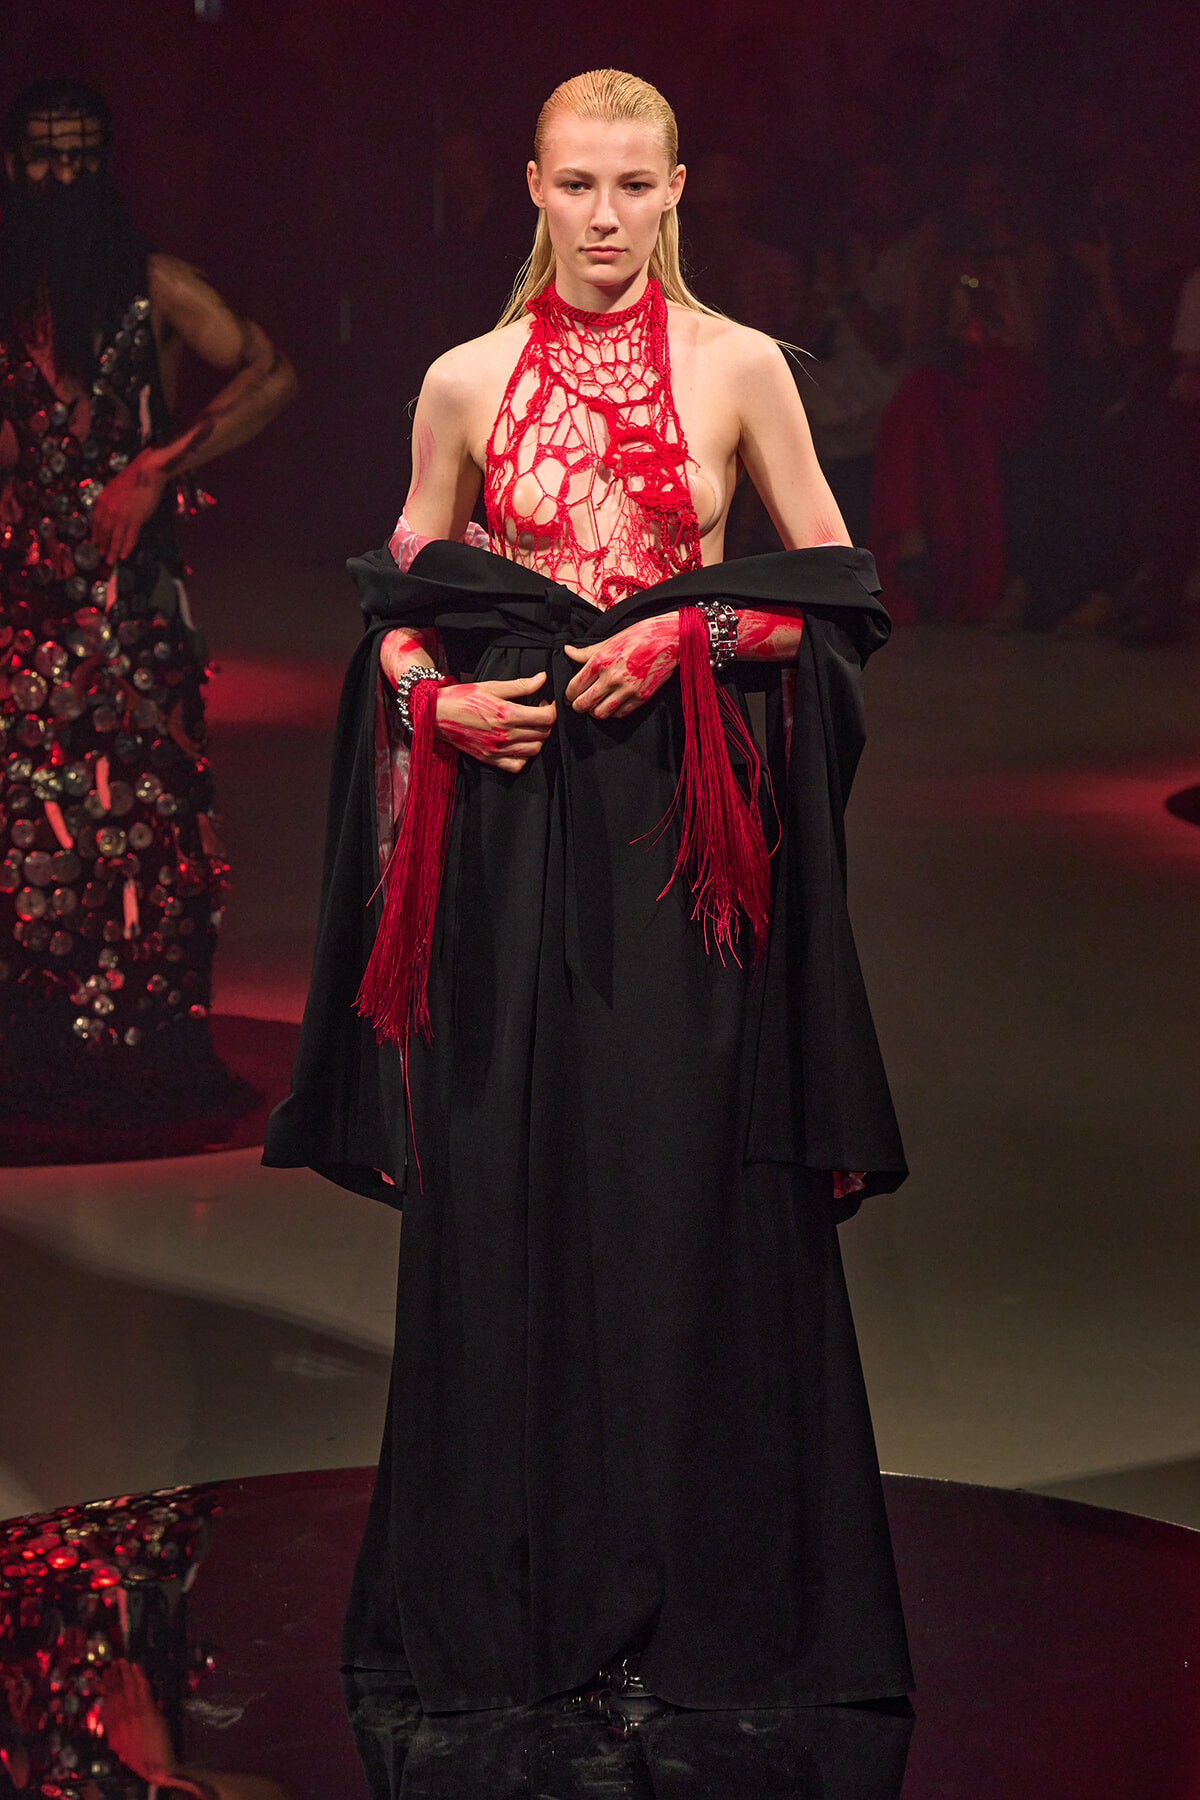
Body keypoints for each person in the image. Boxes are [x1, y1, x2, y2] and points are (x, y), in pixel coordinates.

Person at [266, 69, 911, 1717]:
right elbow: (396, 607)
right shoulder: (462, 379)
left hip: (683, 838)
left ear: (680, 186)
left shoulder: (742, 365)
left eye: (635, 184)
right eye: (577, 185)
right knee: (509, 1185)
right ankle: (516, 1599)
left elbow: (838, 597)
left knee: (684, 1189)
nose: (606, 218)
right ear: (534, 191)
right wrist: (434, 705)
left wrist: (691, 630)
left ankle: (703, 1596)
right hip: (507, 826)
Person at [0, 79, 296, 1152]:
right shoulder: (13, 294)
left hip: (131, 598)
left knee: (149, 811)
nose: (63, 177)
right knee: (33, 814)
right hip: (31, 595)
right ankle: (42, 1035)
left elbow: (271, 373)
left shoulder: (154, 284)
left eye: (81, 155)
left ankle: (146, 1036)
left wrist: (159, 464)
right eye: (44, 156)